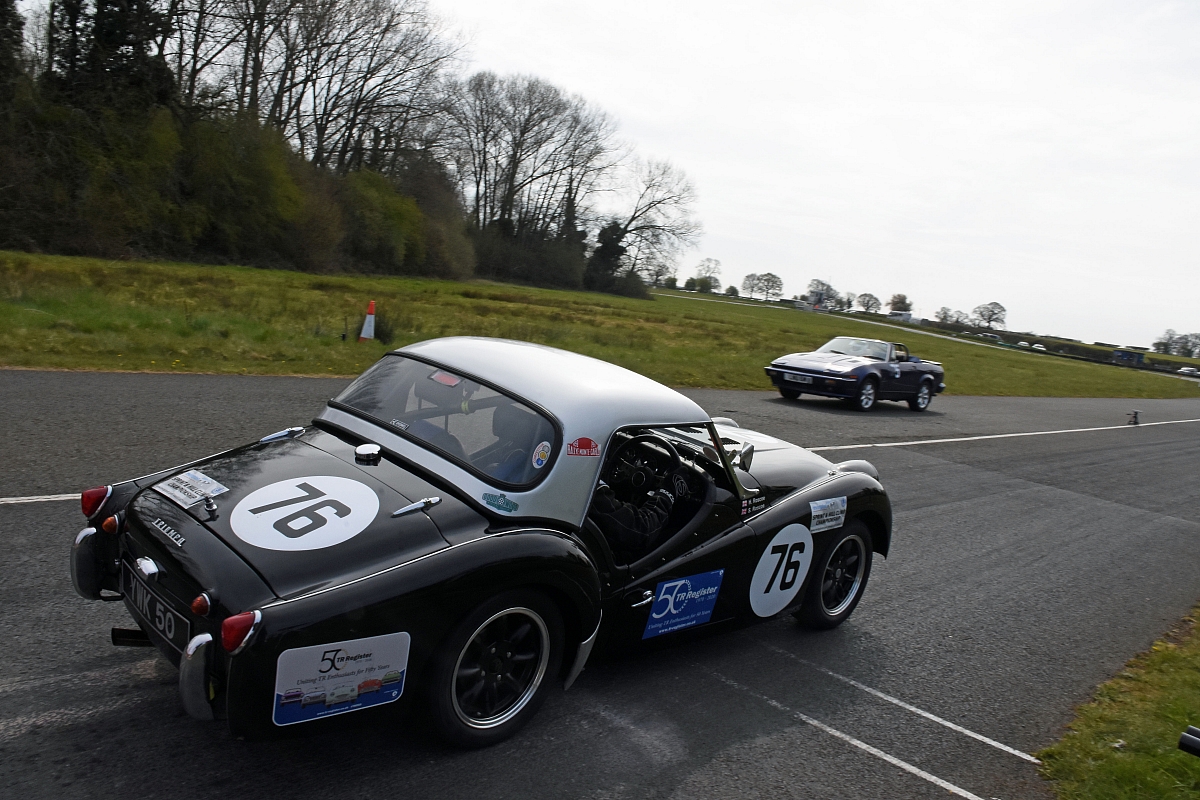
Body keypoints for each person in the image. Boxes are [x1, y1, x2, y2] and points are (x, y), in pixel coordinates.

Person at [589, 481, 675, 564]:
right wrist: (667, 492)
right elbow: (642, 531)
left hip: (589, 548)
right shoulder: (591, 488)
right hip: (599, 562)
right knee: (669, 535)